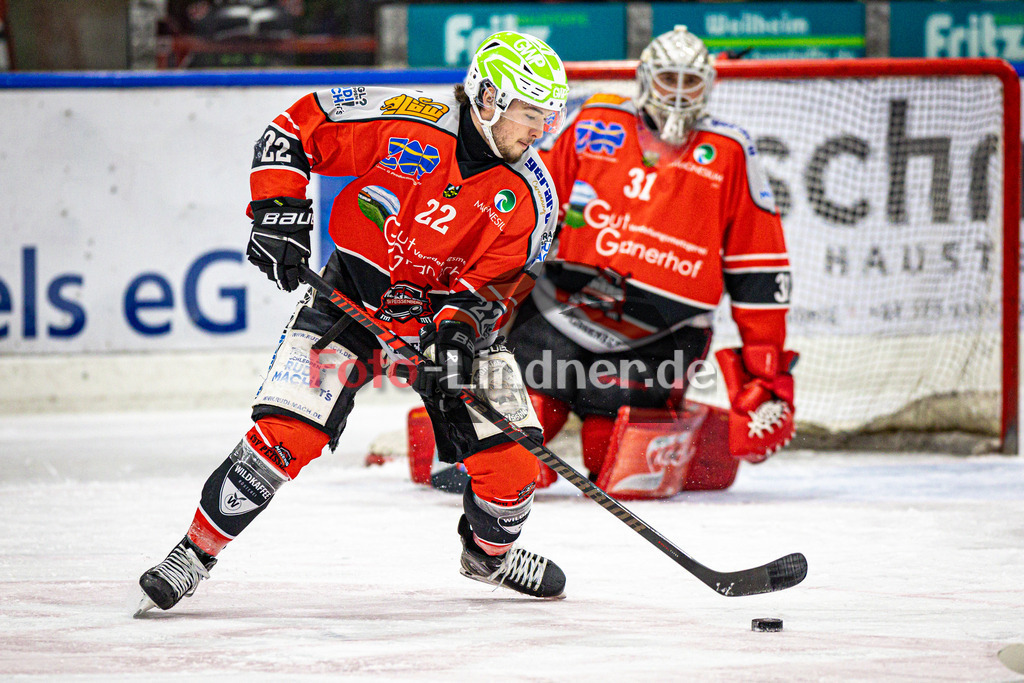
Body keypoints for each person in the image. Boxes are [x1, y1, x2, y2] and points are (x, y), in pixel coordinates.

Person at [135, 30, 570, 615]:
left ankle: (489, 557)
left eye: (549, 114)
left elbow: (501, 285)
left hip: (445, 321)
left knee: (514, 464)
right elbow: (295, 126)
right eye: (529, 112)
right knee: (288, 433)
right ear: (487, 99)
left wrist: (458, 337)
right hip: (354, 297)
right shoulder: (407, 119)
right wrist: (277, 211)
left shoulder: (533, 195)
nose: (540, 128)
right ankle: (193, 552)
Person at [506, 25, 797, 496]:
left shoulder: (730, 150)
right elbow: (529, 212)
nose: (679, 95)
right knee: (520, 437)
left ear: (709, 85)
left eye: (691, 82)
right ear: (644, 78)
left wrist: (765, 370)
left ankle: (683, 428)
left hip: (665, 324)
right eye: (668, 80)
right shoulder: (594, 121)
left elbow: (758, 264)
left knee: (613, 461)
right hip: (565, 303)